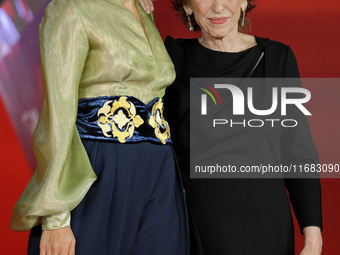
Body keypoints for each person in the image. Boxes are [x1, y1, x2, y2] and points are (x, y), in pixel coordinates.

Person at [138, 0, 323, 254]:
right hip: (195, 229)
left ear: (244, 2)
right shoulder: (172, 58)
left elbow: (298, 151)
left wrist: (313, 235)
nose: (218, 7)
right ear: (188, 7)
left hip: (267, 230)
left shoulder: (277, 58)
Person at [9, 0, 189, 254]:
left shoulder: (145, 10)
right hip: (100, 168)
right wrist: (55, 218)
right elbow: (56, 117)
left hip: (160, 170)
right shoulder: (70, 8)